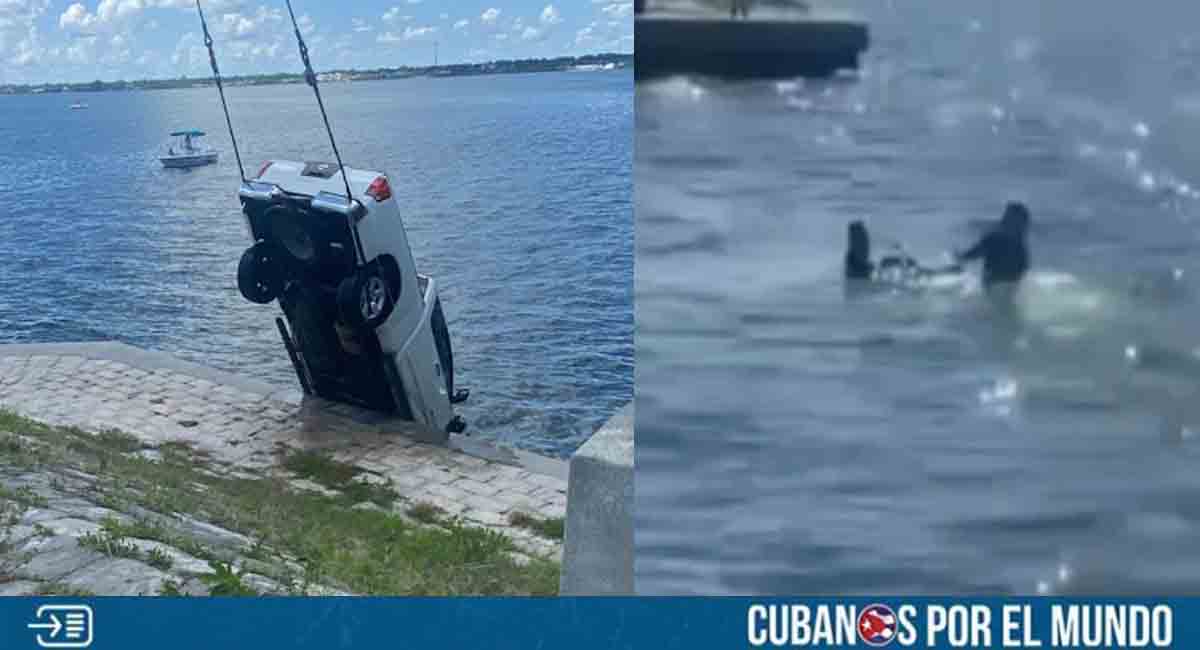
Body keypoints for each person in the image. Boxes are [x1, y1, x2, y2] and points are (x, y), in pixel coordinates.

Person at [956, 201, 1031, 288]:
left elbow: (975, 252)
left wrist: (962, 257)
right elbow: (976, 252)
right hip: (1000, 281)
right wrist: (962, 258)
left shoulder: (1015, 240)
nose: (1024, 227)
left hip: (1001, 281)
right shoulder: (997, 237)